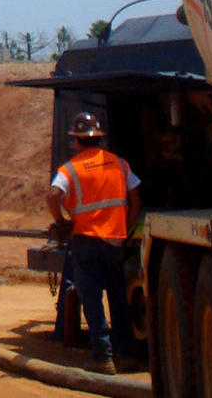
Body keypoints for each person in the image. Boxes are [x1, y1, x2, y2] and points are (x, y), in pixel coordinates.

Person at [47, 110, 141, 375]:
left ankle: (103, 357)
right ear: (99, 138)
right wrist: (127, 226)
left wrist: (62, 221)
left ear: (76, 141)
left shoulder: (71, 169)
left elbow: (52, 195)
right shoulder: (120, 164)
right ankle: (128, 353)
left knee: (92, 299)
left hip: (86, 239)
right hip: (114, 240)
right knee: (118, 296)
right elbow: (136, 199)